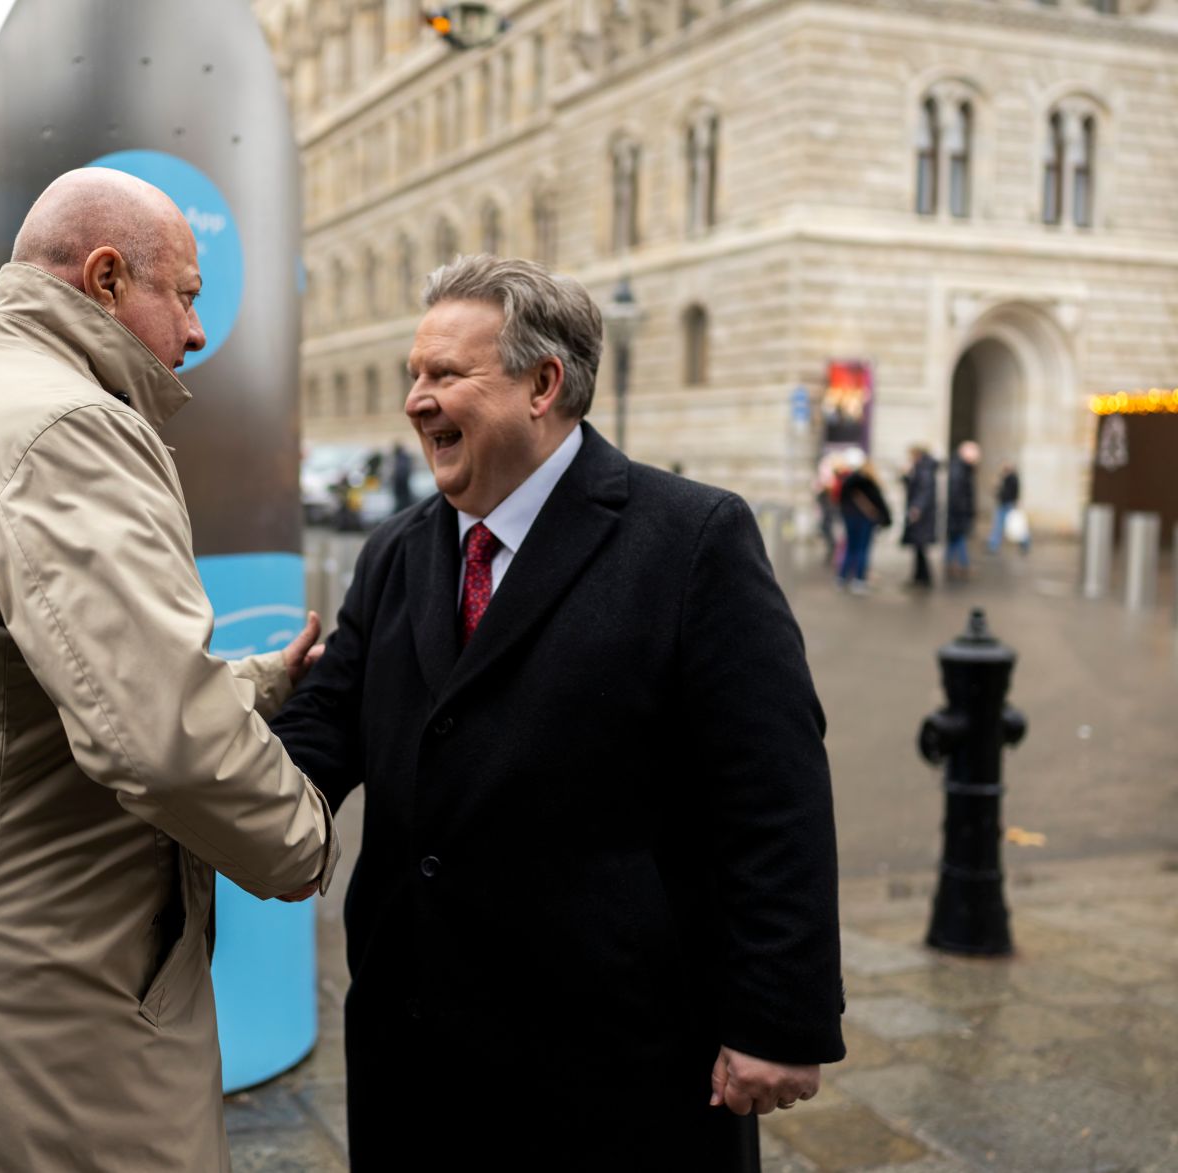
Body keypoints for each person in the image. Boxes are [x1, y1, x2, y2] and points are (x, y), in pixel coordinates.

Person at [0, 169, 338, 1172]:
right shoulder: (64, 430)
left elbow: (23, 696)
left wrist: (262, 683)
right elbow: (165, 742)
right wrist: (304, 837)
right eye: (182, 294)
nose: (194, 332)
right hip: (21, 1026)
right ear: (103, 278)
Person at [270, 256, 844, 1171]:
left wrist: (778, 1014)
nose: (417, 401)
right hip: (415, 1049)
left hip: (614, 1057)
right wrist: (200, 754)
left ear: (543, 385)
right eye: (413, 375)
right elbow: (325, 734)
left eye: (446, 375)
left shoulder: (692, 538)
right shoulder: (394, 553)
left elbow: (773, 791)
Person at [837, 458, 891, 593]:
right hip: (866, 520)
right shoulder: (870, 483)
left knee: (851, 547)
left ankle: (842, 577)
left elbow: (841, 499)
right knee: (863, 550)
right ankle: (859, 580)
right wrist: (885, 519)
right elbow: (880, 503)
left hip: (850, 518)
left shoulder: (849, 481)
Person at [901, 444, 939, 587]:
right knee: (918, 548)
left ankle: (923, 578)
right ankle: (919, 577)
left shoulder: (924, 470)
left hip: (923, 517)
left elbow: (924, 491)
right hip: (922, 515)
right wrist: (906, 476)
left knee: (920, 547)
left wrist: (917, 508)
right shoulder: (921, 469)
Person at [945, 440, 980, 581]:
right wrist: (964, 511)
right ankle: (962, 564)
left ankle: (951, 563)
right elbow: (957, 493)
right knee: (959, 538)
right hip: (958, 513)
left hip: (959, 512)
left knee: (955, 539)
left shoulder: (961, 467)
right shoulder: (960, 469)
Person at [989, 461, 1028, 553]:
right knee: (1000, 525)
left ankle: (993, 545)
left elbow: (1008, 492)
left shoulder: (1011, 478)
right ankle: (993, 545)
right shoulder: (1008, 478)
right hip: (1006, 503)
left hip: (1007, 504)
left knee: (1001, 525)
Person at [390, 442, 415, 512]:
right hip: (402, 484)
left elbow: (401, 472)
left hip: (400, 484)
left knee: (402, 502)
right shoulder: (404, 458)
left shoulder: (400, 458)